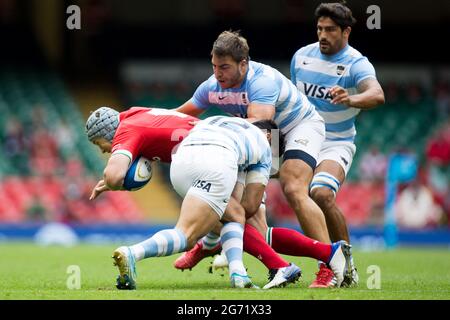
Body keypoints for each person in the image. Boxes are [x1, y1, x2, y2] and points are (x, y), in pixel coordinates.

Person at [174, 30, 345, 286]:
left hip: (296, 127)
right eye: (214, 66)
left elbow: (261, 129)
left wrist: (214, 130)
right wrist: (141, 122)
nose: (217, 73)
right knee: (245, 213)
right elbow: (178, 116)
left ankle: (329, 265)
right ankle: (232, 249)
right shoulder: (212, 86)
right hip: (261, 138)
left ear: (244, 64)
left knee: (293, 186)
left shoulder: (261, 81)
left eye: (224, 67)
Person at [86, 106, 304, 289]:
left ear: (107, 131)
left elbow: (114, 175)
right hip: (216, 150)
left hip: (202, 155)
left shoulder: (126, 130)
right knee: (235, 216)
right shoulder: (135, 113)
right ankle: (243, 269)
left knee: (235, 217)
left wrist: (115, 184)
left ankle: (243, 265)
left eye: (99, 144)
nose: (104, 151)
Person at [290, 2, 385, 286]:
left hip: (336, 141)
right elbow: (295, 102)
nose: (323, 35)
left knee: (320, 194)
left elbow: (377, 95)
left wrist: (351, 98)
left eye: (330, 29)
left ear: (346, 32)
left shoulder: (357, 63)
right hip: (303, 136)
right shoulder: (301, 57)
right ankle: (320, 264)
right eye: (320, 28)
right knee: (290, 193)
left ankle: (347, 264)